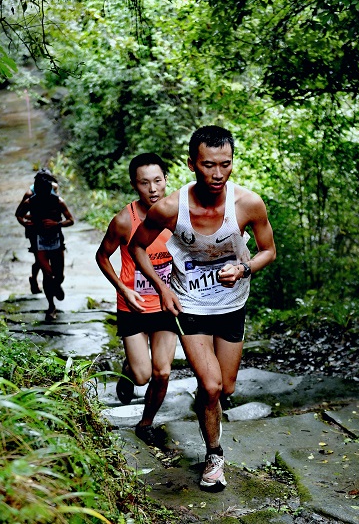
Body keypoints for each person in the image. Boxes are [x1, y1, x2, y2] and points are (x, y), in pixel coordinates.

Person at [131, 125, 276, 491]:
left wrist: (243, 268)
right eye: (208, 165)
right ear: (192, 163)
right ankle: (214, 455)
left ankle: (207, 403)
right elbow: (137, 247)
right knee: (210, 386)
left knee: (224, 388)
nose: (217, 174)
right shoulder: (169, 207)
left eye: (225, 164)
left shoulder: (248, 204)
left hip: (232, 304)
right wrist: (163, 288)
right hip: (191, 304)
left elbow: (268, 251)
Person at [95, 153, 178, 447]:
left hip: (167, 304)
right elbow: (102, 256)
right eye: (145, 183)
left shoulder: (178, 215)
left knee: (163, 372)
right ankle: (129, 370)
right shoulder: (123, 220)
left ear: (166, 179)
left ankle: (146, 423)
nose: (153, 189)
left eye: (158, 181)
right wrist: (123, 289)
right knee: (143, 376)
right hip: (132, 305)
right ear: (134, 185)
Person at [15, 170, 74, 320]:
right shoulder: (30, 200)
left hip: (56, 240)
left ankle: (56, 285)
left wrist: (57, 223)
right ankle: (51, 307)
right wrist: (27, 224)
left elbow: (71, 220)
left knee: (58, 275)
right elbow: (19, 215)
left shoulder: (58, 201)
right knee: (47, 274)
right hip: (38, 242)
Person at [16, 169, 59, 294]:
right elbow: (20, 213)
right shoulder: (29, 194)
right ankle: (34, 279)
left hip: (50, 228)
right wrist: (27, 222)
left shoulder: (53, 187)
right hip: (35, 230)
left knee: (50, 256)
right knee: (39, 259)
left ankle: (49, 279)